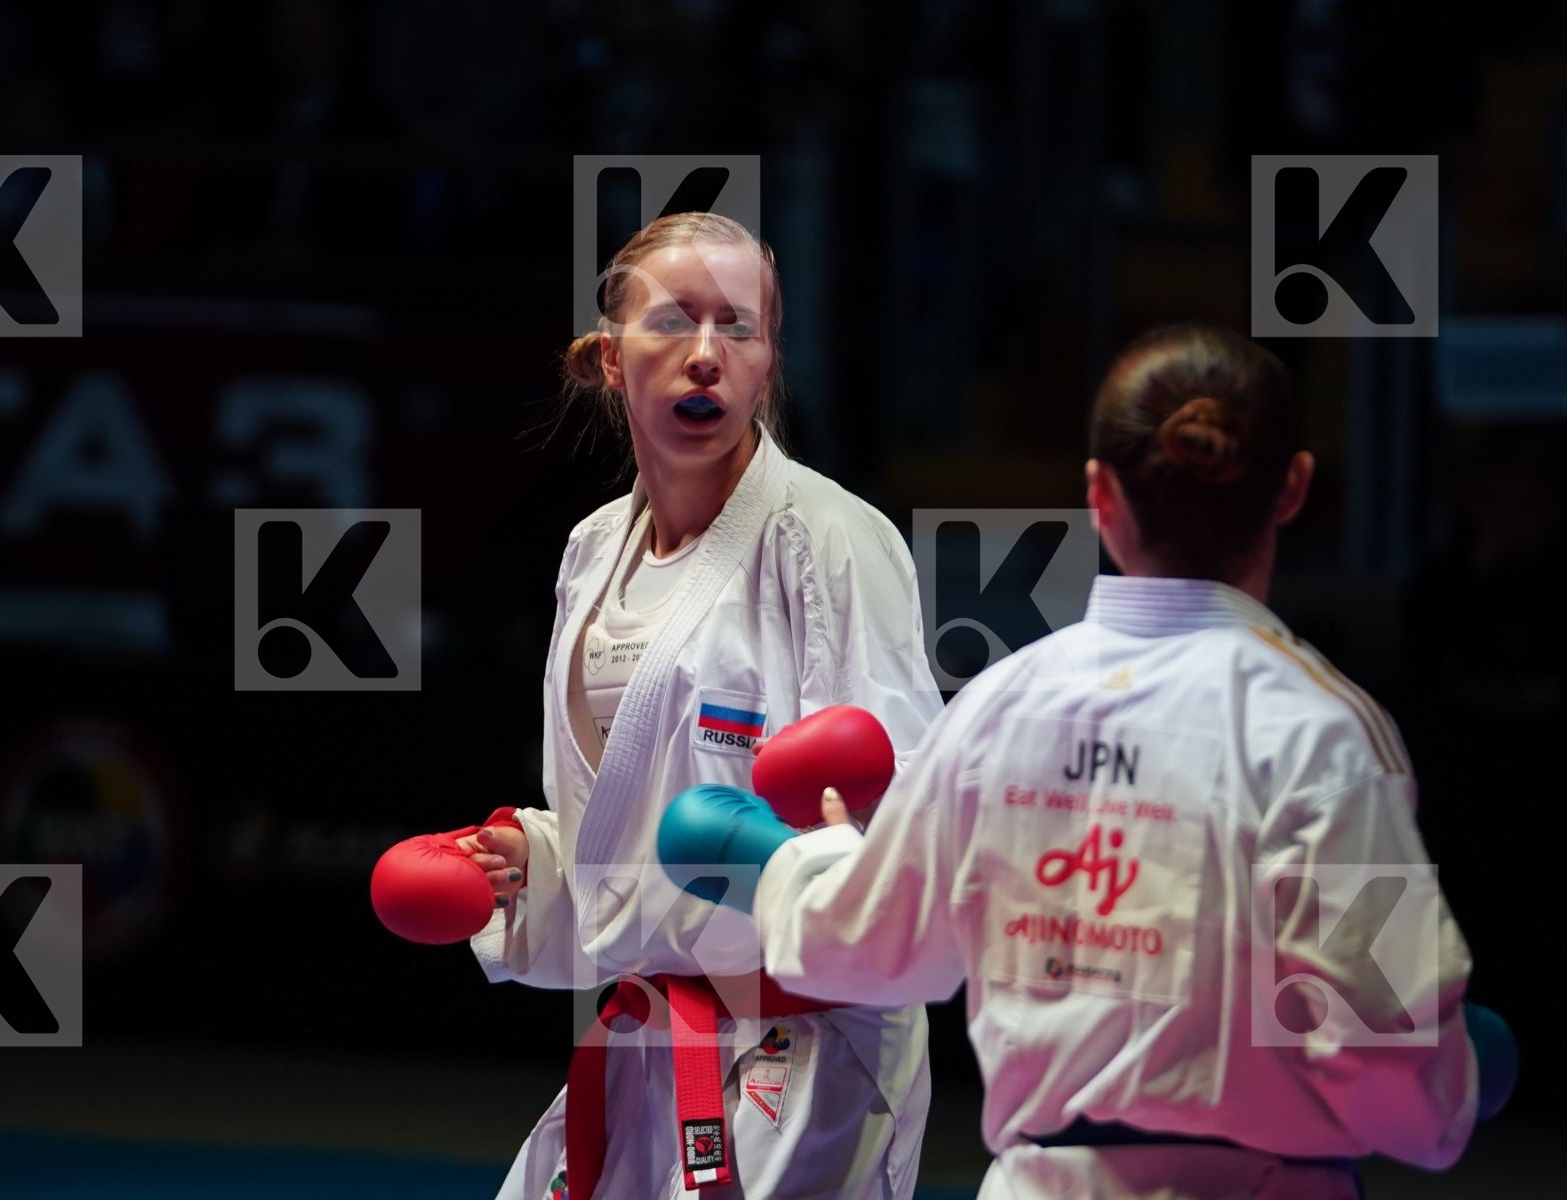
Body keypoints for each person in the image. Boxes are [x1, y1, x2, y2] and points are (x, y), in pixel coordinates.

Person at [711, 325, 1479, 1198]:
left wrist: (795, 859)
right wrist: (1455, 1078)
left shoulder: (999, 707)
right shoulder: (1319, 733)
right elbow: (1394, 1087)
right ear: (1295, 488)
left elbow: (872, 950)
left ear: (1099, 497)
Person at [457, 211, 943, 1198]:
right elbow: (633, 846)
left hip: (806, 1063)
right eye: (675, 323)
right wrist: (539, 864)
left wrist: (782, 865)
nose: (707, 357)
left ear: (769, 366)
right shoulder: (594, 552)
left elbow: (923, 841)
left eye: (740, 329)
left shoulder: (834, 544)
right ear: (604, 359)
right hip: (647, 1044)